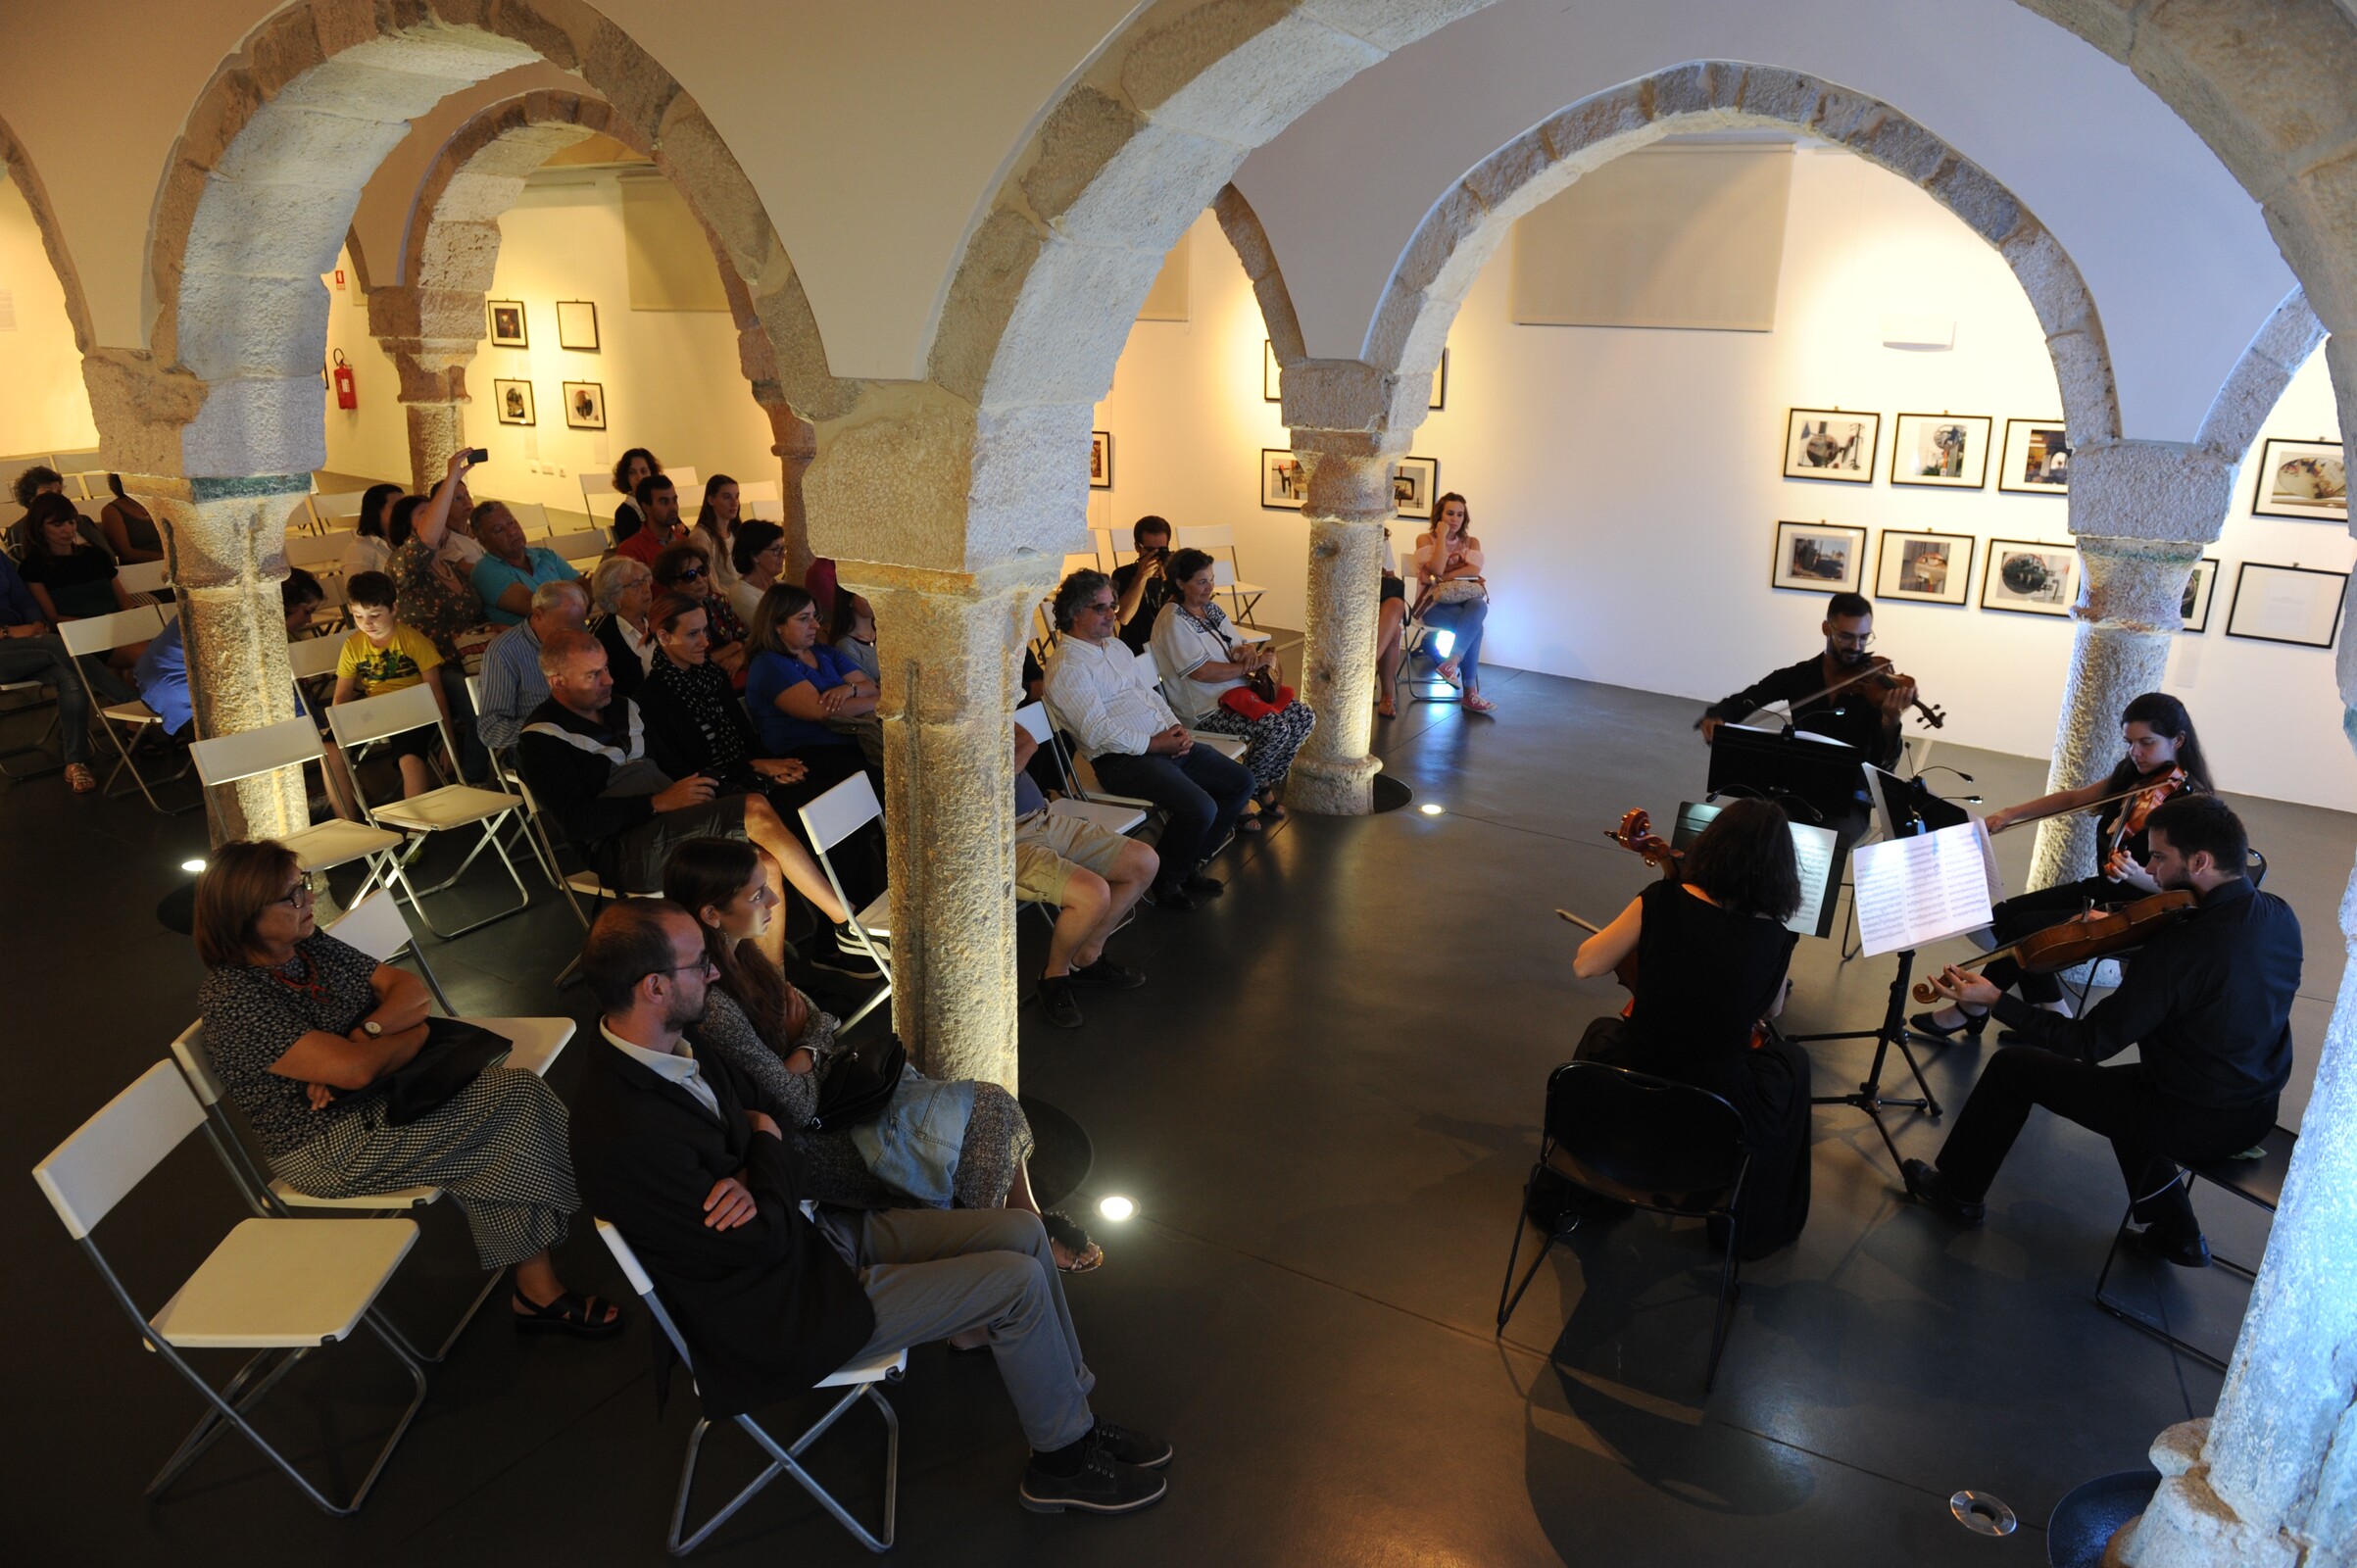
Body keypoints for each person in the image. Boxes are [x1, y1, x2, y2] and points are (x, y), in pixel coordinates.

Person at [570, 899, 1169, 1515]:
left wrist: (760, 1159)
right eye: (701, 964)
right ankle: (1060, 1465)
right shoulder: (625, 1135)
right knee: (1016, 1284)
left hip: (812, 1241)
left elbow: (777, 1123)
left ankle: (1073, 1414)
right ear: (654, 987)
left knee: (1023, 1230)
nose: (715, 972)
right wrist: (765, 1148)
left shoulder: (678, 1044)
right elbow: (762, 1214)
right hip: (783, 1311)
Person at [193, 839, 622, 1338]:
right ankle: (601, 1217)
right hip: (327, 1145)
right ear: (244, 914)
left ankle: (552, 1270)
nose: (308, 899)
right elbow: (358, 1070)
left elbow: (411, 994)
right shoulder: (234, 998)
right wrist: (408, 1037)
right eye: (291, 896)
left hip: (388, 1097)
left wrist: (365, 1034)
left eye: (302, 885)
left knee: (511, 1111)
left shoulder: (307, 947)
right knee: (512, 1108)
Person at [661, 837, 1105, 1272]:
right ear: (712, 914)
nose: (774, 900)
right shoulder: (715, 1005)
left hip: (838, 1097)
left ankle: (1023, 1227)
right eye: (758, 894)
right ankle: (996, 1249)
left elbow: (822, 1018)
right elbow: (797, 1106)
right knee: (983, 1117)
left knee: (994, 1105)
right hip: (815, 1140)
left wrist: (801, 1053)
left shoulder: (746, 958)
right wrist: (807, 1047)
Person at [1904, 794, 2298, 1268]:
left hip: (2191, 1118)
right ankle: (2177, 1234)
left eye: (2159, 857)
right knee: (2120, 1095)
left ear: (2200, 862)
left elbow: (2088, 1042)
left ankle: (1958, 1192)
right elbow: (2211, 982)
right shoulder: (2279, 916)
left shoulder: (2180, 951)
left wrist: (1995, 1000)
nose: (2149, 871)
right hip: (2254, 1105)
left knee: (2013, 1068)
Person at [516, 629, 864, 967]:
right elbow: (576, 822)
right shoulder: (541, 740)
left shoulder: (623, 708)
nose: (608, 679)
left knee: (765, 865)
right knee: (755, 809)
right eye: (593, 675)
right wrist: (655, 803)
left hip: (671, 822)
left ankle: (770, 983)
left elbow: (675, 768)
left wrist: (719, 784)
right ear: (558, 681)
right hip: (623, 851)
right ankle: (846, 922)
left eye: (606, 667)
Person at [1570, 798, 1811, 1257]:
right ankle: (1751, 1227)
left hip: (1634, 1089)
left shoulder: (1661, 900)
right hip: (1716, 1118)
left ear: (1711, 846)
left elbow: (1586, 966)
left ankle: (1597, 1184)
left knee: (1603, 1031)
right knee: (1792, 1063)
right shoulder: (1777, 936)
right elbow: (1773, 1010)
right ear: (1780, 871)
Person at [1912, 693, 2213, 1041]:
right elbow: (2073, 798)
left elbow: (2185, 893)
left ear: (2178, 740)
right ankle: (2052, 1014)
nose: (2136, 753)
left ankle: (1971, 1008)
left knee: (2027, 929)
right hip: (2102, 889)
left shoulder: (2190, 805)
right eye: (2129, 743)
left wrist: (2137, 875)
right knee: (2007, 915)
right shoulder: (2137, 779)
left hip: (2139, 910)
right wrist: (2010, 813)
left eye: (2147, 743)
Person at [1043, 569, 1251, 912]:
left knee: (1241, 781)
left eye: (1112, 606)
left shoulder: (1115, 646)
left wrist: (1176, 730)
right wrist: (1157, 744)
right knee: (1200, 807)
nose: (1112, 614)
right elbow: (1096, 731)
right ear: (1075, 613)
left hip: (1162, 742)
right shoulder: (1067, 666)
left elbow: (1148, 694)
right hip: (1121, 761)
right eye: (1101, 608)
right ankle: (1167, 880)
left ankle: (1187, 863)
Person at [1149, 546, 1314, 826]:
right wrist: (1247, 666)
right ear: (1180, 582)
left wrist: (1246, 650)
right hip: (1206, 709)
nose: (1210, 587)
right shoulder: (1172, 620)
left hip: (1236, 695)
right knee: (1276, 728)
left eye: (1211, 579)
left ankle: (1260, 782)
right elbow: (1200, 673)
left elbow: (1235, 644)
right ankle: (1241, 797)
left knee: (1303, 717)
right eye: (1202, 581)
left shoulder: (1209, 608)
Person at [1011, 721, 1154, 1028]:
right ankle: (1054, 976)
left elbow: (1027, 740)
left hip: (1045, 818)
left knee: (1144, 861)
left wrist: (999, 770)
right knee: (1093, 894)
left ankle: (1087, 957)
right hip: (1004, 840)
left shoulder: (980, 707)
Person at [638, 592, 817, 808]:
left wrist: (774, 767)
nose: (705, 642)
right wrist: (754, 767)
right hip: (710, 793)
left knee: (813, 781)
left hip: (745, 773)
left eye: (705, 630)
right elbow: (682, 771)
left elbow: (746, 734)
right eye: (693, 634)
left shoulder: (713, 674)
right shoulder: (651, 697)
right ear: (664, 637)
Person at [1697, 590, 1911, 768]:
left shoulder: (1875, 690)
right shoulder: (1797, 677)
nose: (1856, 647)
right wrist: (1718, 715)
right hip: (1796, 781)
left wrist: (1891, 721)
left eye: (1863, 638)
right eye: (1846, 636)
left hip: (1852, 793)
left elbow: (1883, 763)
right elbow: (1744, 701)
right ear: (1826, 628)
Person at [333, 570, 457, 800]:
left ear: (394, 609)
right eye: (358, 616)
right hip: (376, 711)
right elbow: (341, 696)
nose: (366, 623)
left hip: (414, 711)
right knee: (329, 749)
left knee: (409, 758)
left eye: (375, 615)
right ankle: (348, 814)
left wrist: (449, 742)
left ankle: (417, 820)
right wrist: (340, 728)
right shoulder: (352, 646)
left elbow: (436, 692)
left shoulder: (413, 640)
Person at [745, 583, 881, 778]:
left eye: (814, 616)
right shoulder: (769, 663)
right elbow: (823, 711)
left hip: (850, 744)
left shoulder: (826, 652)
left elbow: (870, 687)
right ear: (777, 625)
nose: (816, 625)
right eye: (804, 619)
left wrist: (849, 689)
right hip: (805, 755)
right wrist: (880, 703)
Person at [0, 544, 99, 793]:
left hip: (25, 645)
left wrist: (35, 623)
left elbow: (23, 598)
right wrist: (7, 632)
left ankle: (75, 762)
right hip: (8, 646)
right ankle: (123, 695)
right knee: (57, 646)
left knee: (69, 676)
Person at [385, 454, 493, 663]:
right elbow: (426, 539)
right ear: (408, 529)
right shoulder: (402, 565)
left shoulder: (451, 567)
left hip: (476, 656)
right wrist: (451, 478)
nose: (439, 518)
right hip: (437, 665)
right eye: (425, 514)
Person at [475, 578, 589, 755]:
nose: (574, 634)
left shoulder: (578, 638)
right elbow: (491, 730)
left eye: (580, 625)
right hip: (542, 750)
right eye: (565, 626)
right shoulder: (504, 651)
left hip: (588, 738)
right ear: (538, 614)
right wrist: (553, 727)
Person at [1411, 492, 1496, 714]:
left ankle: (1451, 663)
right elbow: (1436, 568)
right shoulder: (1425, 539)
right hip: (1432, 605)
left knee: (1479, 605)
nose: (1455, 519)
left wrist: (1445, 576)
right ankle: (1470, 694)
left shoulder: (1471, 542)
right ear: (1439, 515)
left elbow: (1473, 569)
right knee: (1476, 628)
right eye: (1450, 513)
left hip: (1463, 603)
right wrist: (1441, 536)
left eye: (1460, 514)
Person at [18, 493, 133, 623]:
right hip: (76, 630)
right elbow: (53, 618)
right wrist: (97, 625)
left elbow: (124, 601)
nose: (68, 530)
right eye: (57, 525)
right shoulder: (32, 567)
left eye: (71, 522)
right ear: (39, 527)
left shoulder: (96, 555)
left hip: (116, 623)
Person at [468, 501, 578, 627]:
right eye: (499, 530)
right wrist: (577, 600)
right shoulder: (485, 572)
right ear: (483, 541)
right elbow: (538, 608)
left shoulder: (545, 555)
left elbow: (583, 585)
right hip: (543, 639)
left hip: (576, 633)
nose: (512, 532)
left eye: (512, 522)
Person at [653, 542, 749, 684]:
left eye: (702, 570)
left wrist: (739, 655)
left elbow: (747, 638)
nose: (700, 579)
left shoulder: (718, 601)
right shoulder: (671, 618)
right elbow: (691, 664)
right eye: (689, 576)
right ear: (674, 584)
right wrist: (733, 647)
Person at [589, 554, 657, 706]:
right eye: (635, 584)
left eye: (645, 581)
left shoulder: (659, 620)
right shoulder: (605, 640)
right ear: (614, 596)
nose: (646, 589)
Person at [1108, 515, 1179, 654]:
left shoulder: (1175, 574)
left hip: (1170, 647)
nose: (1155, 556)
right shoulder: (1123, 574)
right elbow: (1124, 618)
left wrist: (1169, 578)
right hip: (1137, 649)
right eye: (1150, 550)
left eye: (1161, 550)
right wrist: (1141, 577)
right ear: (1137, 547)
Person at [616, 474, 689, 568]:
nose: (673, 507)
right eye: (664, 502)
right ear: (646, 507)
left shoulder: (683, 542)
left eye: (674, 500)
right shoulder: (631, 550)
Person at [688, 473, 745, 593]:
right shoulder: (701, 536)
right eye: (726, 497)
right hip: (725, 600)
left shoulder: (737, 531)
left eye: (736, 496)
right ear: (711, 500)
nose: (734, 503)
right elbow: (710, 583)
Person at [94, 475, 167, 565]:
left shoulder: (161, 504)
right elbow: (126, 554)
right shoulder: (111, 511)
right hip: (141, 567)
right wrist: (167, 558)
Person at [727, 520, 786, 626]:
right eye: (776, 550)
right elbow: (769, 627)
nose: (783, 555)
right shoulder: (740, 592)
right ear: (754, 555)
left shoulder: (782, 585)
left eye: (783, 549)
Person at [1374, 557, 1407, 719]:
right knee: (1394, 632)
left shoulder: (1384, 542)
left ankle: (1365, 670)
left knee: (1396, 604)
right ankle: (1386, 696)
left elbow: (1390, 573)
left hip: (1379, 596)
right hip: (1354, 595)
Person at [338, 484, 396, 580]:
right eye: (396, 507)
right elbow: (358, 588)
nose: (404, 511)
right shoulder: (359, 551)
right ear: (376, 511)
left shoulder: (409, 540)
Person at [827, 588, 879, 685]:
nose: (873, 597)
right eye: (864, 592)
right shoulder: (846, 645)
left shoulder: (884, 632)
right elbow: (870, 687)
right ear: (849, 601)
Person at [610, 447, 660, 544]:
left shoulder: (661, 503)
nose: (639, 477)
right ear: (626, 477)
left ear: (652, 473)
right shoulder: (624, 513)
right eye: (632, 472)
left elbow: (685, 534)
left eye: (643, 471)